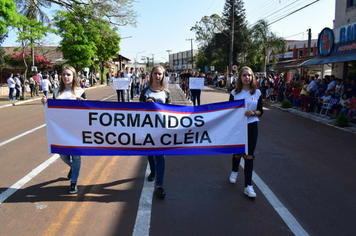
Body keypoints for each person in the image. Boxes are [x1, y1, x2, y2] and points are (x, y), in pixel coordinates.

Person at [41, 65, 87, 194]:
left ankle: (73, 182)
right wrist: (46, 103)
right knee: (63, 155)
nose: (66, 77)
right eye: (64, 75)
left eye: (69, 75)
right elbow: (54, 111)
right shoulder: (57, 92)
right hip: (61, 130)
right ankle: (73, 168)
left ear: (73, 77)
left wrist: (82, 102)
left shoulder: (80, 91)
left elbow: (88, 112)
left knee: (76, 157)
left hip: (77, 130)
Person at [228, 66, 263, 198]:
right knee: (237, 153)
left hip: (252, 126)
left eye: (249, 75)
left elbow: (261, 111)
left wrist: (253, 112)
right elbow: (228, 110)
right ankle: (234, 171)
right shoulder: (234, 93)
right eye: (244, 75)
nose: (247, 77)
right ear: (240, 77)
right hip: (238, 127)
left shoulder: (257, 92)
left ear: (252, 77)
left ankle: (248, 186)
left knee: (249, 155)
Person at [139, 65, 172, 198]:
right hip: (147, 128)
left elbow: (171, 111)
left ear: (163, 76)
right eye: (155, 73)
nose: (157, 76)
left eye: (160, 74)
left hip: (161, 129)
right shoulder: (145, 90)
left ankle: (160, 185)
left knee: (161, 156)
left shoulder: (166, 92)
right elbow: (138, 110)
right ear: (151, 74)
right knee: (150, 153)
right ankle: (152, 171)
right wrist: (147, 104)